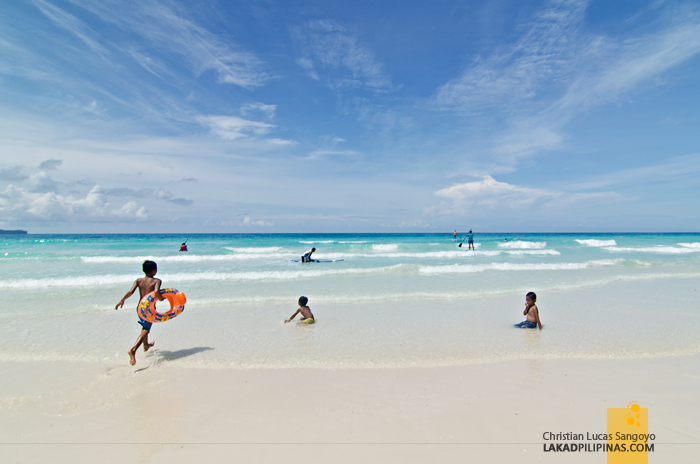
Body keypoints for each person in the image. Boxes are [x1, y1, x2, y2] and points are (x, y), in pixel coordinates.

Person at [115, 260, 165, 365]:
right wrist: (161, 299)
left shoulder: (138, 280)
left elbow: (130, 292)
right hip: (149, 308)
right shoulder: (157, 281)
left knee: (144, 326)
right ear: (154, 270)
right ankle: (133, 350)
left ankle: (146, 344)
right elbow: (156, 292)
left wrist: (122, 300)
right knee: (146, 329)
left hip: (140, 307)